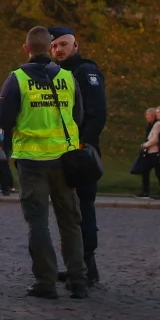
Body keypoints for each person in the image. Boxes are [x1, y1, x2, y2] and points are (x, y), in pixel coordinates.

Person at [0, 27, 86, 299]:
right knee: (70, 221)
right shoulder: (68, 77)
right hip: (65, 159)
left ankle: (46, 282)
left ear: (26, 49)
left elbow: (2, 117)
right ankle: (78, 280)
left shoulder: (17, 79)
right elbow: (78, 115)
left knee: (38, 223)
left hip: (31, 161)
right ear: (50, 48)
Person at [49, 27, 106, 285]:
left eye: (63, 44)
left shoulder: (85, 71)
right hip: (66, 151)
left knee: (83, 207)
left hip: (80, 152)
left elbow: (97, 114)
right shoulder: (61, 74)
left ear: (76, 44)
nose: (58, 49)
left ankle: (87, 268)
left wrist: (81, 145)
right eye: (53, 46)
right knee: (70, 209)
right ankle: (78, 266)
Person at [135, 108, 160, 197]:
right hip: (149, 151)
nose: (146, 116)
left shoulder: (157, 124)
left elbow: (155, 139)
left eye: (148, 114)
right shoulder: (149, 125)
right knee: (145, 171)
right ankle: (145, 191)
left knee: (159, 172)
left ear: (153, 115)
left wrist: (145, 145)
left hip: (155, 151)